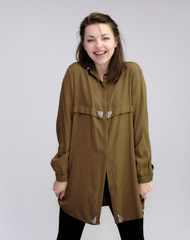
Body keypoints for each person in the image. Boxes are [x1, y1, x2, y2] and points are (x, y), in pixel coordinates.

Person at [51, 12, 154, 240]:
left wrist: (144, 175)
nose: (99, 45)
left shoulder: (133, 74)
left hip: (124, 173)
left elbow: (140, 128)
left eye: (105, 38)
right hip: (81, 174)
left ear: (116, 41)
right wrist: (62, 174)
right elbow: (64, 128)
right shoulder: (74, 74)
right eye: (90, 39)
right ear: (84, 45)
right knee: (66, 236)